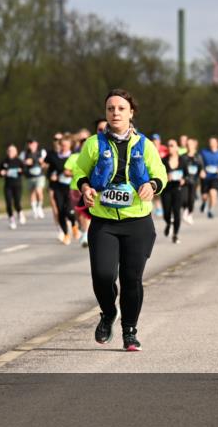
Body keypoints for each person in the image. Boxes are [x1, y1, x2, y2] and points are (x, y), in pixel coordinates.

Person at [71, 89, 167, 352]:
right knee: (102, 275)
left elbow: (161, 174)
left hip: (137, 222)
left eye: (121, 108)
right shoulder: (93, 144)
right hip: (104, 222)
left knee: (131, 278)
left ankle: (130, 331)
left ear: (131, 113)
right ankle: (108, 312)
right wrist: (85, 188)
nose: (115, 113)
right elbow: (79, 172)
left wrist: (153, 185)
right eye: (110, 109)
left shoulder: (145, 145)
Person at [46, 135, 78, 245]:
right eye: (62, 145)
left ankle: (74, 224)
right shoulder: (55, 157)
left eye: (65, 145)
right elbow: (50, 171)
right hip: (58, 187)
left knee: (69, 211)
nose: (63, 147)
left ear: (70, 145)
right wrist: (51, 176)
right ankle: (66, 234)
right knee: (60, 211)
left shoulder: (74, 157)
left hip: (70, 187)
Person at [161, 139, 188, 243]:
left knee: (177, 213)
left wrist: (183, 180)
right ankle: (168, 223)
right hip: (167, 189)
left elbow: (187, 174)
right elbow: (158, 174)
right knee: (166, 213)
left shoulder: (182, 161)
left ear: (177, 148)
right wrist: (166, 177)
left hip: (178, 189)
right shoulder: (163, 160)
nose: (170, 147)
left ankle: (175, 234)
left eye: (172, 145)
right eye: (168, 145)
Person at [0, 144, 26, 228]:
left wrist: (20, 171)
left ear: (16, 152)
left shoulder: (19, 161)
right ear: (7, 152)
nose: (10, 152)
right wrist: (1, 173)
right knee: (8, 203)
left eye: (12, 151)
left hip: (17, 185)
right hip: (8, 186)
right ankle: (11, 219)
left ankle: (20, 212)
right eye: (9, 151)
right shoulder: (4, 162)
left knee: (17, 202)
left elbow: (24, 170)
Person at [199, 137, 218, 218]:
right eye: (210, 142)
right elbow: (198, 162)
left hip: (215, 177)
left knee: (213, 192)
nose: (212, 144)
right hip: (205, 177)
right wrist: (201, 170)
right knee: (204, 196)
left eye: (213, 142)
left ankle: (211, 210)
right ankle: (204, 203)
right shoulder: (203, 152)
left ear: (217, 144)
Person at [21, 139, 47, 220]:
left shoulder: (42, 152)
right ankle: (34, 209)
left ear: (36, 144)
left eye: (33, 143)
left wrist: (42, 162)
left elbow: (46, 165)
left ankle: (39, 207)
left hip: (40, 175)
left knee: (39, 191)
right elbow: (20, 164)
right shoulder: (24, 154)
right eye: (30, 144)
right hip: (29, 176)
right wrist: (25, 163)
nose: (31, 145)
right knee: (32, 193)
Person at [183, 138, 202, 224]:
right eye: (187, 144)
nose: (189, 146)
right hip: (185, 180)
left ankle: (190, 214)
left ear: (194, 145)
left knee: (191, 198)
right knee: (184, 198)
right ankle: (186, 209)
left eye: (190, 144)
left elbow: (201, 167)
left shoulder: (198, 157)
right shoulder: (183, 157)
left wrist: (202, 172)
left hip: (194, 180)